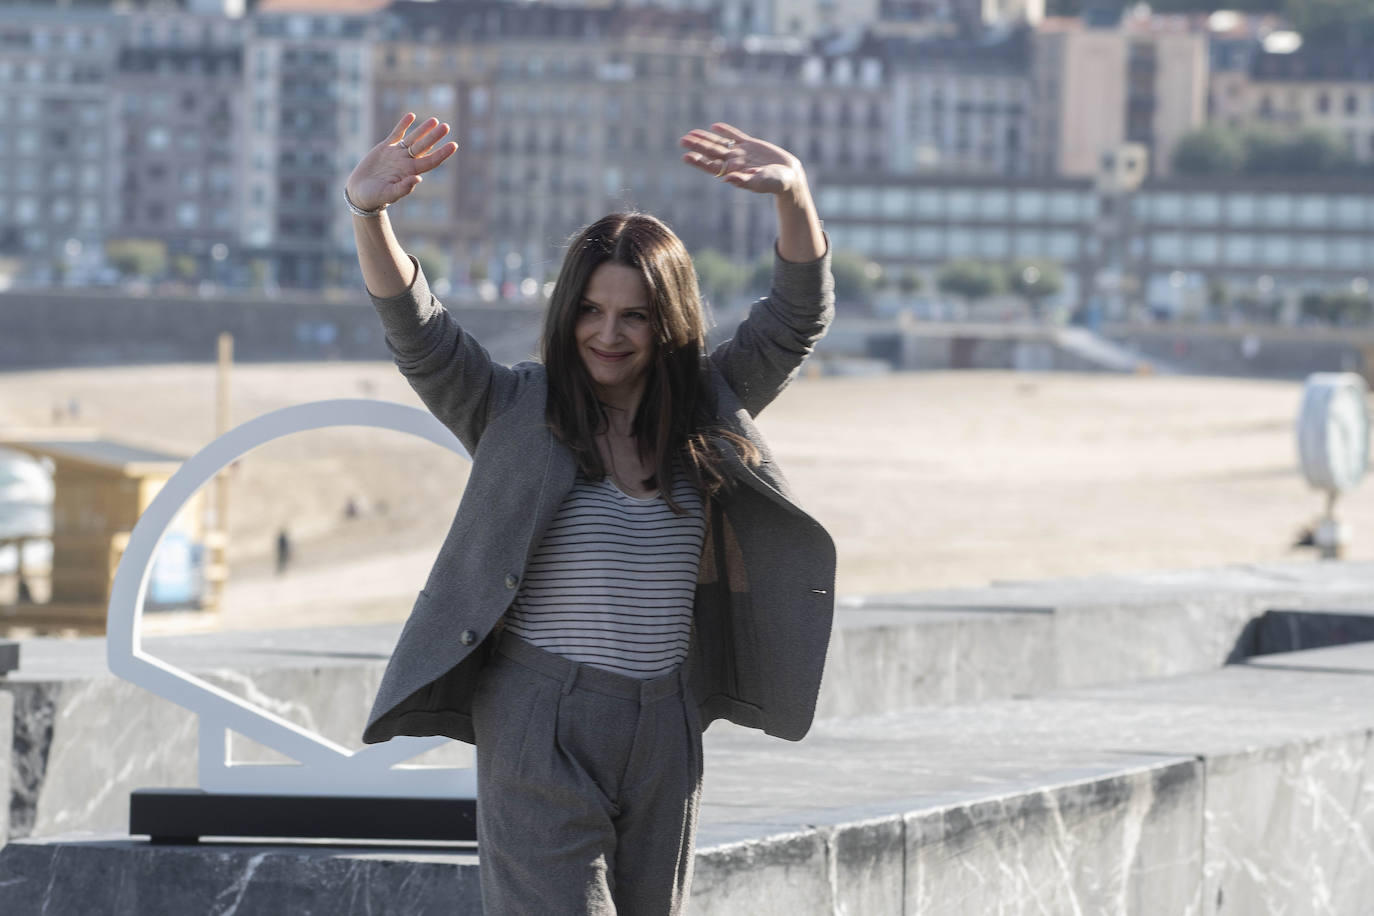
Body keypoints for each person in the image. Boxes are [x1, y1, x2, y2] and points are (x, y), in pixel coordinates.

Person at [345, 112, 836, 915]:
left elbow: (795, 319)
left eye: (635, 314)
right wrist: (371, 215)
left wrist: (794, 193)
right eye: (591, 311)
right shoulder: (513, 406)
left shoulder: (707, 407)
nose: (608, 334)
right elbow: (421, 334)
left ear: (668, 320)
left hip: (665, 724)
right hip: (542, 721)